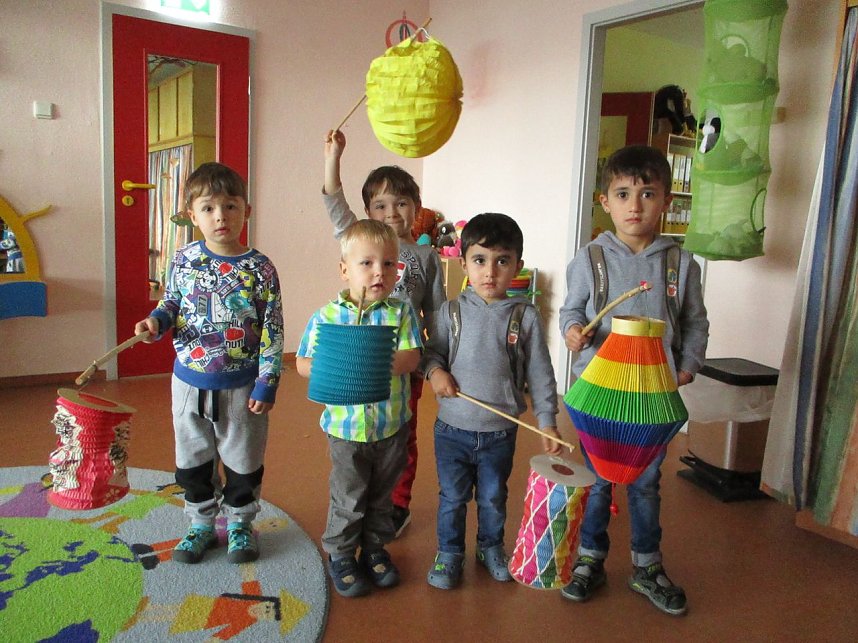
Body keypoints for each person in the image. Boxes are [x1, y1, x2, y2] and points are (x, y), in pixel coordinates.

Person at [559, 144, 709, 616]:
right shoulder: (590, 258)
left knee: (645, 484)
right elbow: (571, 310)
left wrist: (688, 364)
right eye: (623, 194)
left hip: (652, 396)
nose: (635, 205)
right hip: (602, 396)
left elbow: (696, 321)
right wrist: (572, 333)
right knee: (600, 481)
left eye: (647, 193)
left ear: (665, 200)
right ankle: (590, 560)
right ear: (605, 201)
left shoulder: (681, 265)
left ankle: (647, 566)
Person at [134, 162, 283, 566]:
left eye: (231, 206)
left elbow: (273, 327)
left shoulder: (260, 268)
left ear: (246, 211)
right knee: (193, 461)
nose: (221, 217)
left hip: (241, 388)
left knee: (243, 462)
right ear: (192, 214)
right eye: (209, 208)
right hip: (188, 385)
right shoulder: (183, 260)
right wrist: (157, 321)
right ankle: (200, 524)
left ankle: (239, 524)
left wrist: (267, 381)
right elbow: (171, 303)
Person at [421, 212, 563, 590]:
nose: (490, 271)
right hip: (452, 429)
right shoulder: (449, 313)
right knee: (452, 497)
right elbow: (431, 355)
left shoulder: (524, 316)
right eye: (480, 260)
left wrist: (547, 419)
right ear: (464, 262)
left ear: (517, 264)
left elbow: (540, 373)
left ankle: (490, 547)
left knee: (493, 497)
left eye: (502, 261)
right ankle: (450, 552)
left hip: (501, 432)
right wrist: (436, 373)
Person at [323, 129, 445, 537]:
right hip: (360, 360)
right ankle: (356, 501)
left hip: (407, 363)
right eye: (380, 205)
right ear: (367, 212)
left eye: (401, 203)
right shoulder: (358, 240)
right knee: (355, 436)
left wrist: (434, 364)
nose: (391, 212)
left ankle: (395, 503)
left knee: (400, 437)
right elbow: (334, 203)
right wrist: (334, 157)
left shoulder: (428, 257)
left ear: (417, 207)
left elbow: (438, 315)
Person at [296, 219, 423, 598]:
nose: (379, 272)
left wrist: (377, 360)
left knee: (383, 496)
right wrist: (333, 366)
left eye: (388, 264)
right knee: (349, 495)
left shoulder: (400, 312)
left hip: (391, 426)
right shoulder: (326, 317)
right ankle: (340, 553)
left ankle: (374, 548)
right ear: (344, 269)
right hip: (346, 429)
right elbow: (303, 363)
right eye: (366, 263)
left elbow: (413, 356)